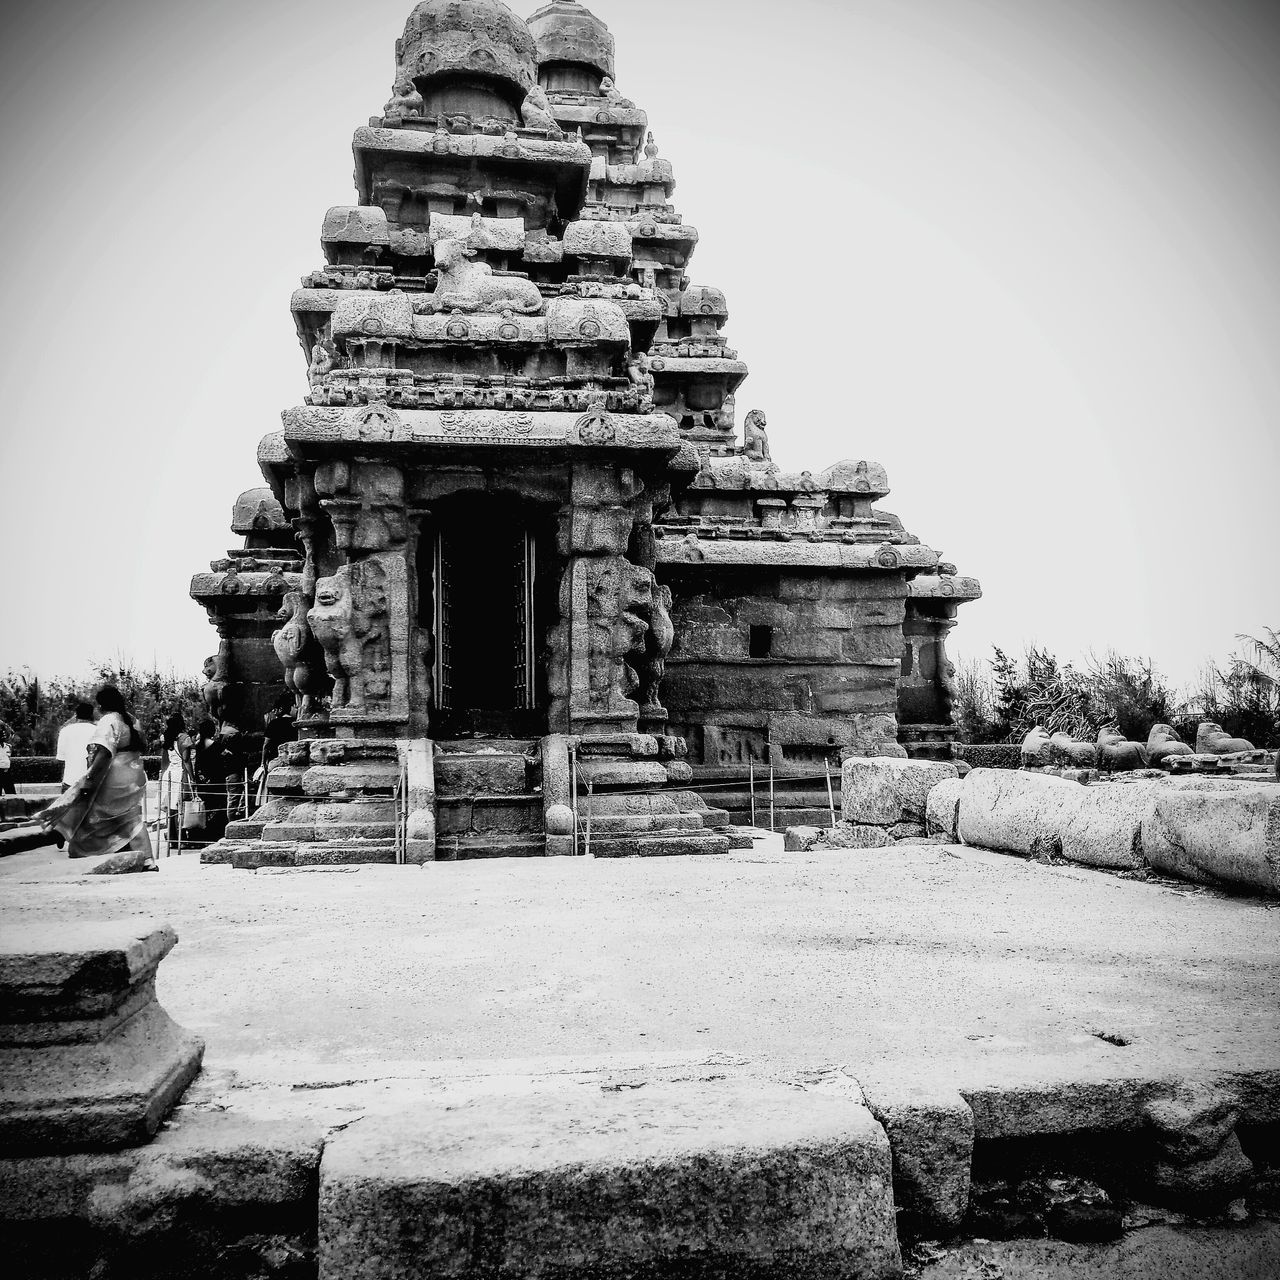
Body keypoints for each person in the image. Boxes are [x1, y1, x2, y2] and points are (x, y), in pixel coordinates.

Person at [39, 686, 154, 870]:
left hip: (115, 776)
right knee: (130, 818)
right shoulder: (132, 720)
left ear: (101, 704)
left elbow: (104, 752)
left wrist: (91, 776)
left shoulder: (109, 720)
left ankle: (101, 851)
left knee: (95, 816)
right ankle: (146, 859)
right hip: (134, 774)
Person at [160, 712, 195, 839]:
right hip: (180, 774)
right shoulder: (185, 738)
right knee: (179, 807)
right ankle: (180, 837)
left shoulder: (166, 737)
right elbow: (186, 760)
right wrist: (192, 777)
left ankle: (172, 836)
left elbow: (164, 759)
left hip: (169, 773)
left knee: (171, 808)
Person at [56, 702, 97, 793]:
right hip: (91, 783)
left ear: (76, 715)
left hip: (69, 781)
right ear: (92, 715)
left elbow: (60, 759)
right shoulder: (98, 731)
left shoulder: (65, 731)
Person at [0, 719, 14, 795]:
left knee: (12, 795)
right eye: (1, 730)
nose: (3, 732)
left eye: (3, 730)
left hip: (7, 773)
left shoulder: (8, 746)